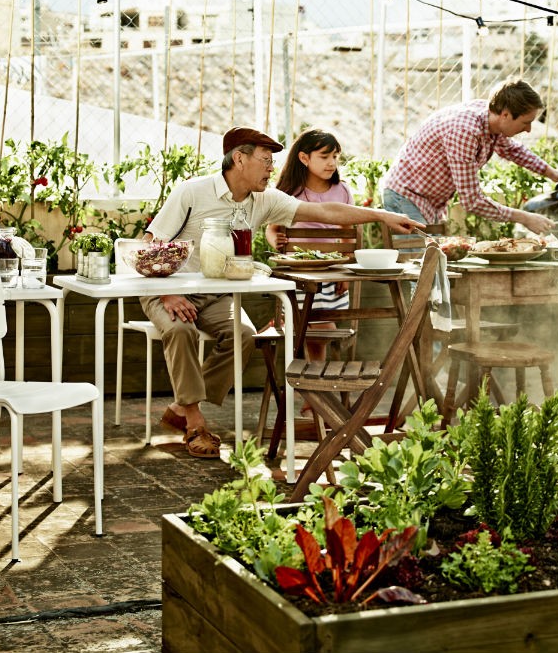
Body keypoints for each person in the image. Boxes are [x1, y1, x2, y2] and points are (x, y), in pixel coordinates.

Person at [140, 126, 423, 459]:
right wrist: (166, 292)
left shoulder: (264, 200)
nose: (272, 168)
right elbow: (150, 244)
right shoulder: (192, 192)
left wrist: (382, 215)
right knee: (179, 329)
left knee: (243, 334)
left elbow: (326, 212)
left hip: (216, 295)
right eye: (265, 160)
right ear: (240, 159)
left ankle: (182, 406)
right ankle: (195, 420)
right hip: (167, 287)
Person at [382, 78, 558, 236]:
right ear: (506, 115)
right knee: (425, 271)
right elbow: (472, 201)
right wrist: (525, 218)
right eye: (526, 122)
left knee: (435, 269)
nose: (528, 130)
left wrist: (554, 174)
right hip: (406, 196)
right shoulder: (465, 131)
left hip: (428, 199)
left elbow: (514, 151)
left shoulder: (490, 117)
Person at [265, 128, 354, 361]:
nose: (331, 163)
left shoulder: (342, 190)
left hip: (331, 274)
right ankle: (313, 389)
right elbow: (272, 229)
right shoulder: (289, 192)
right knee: (316, 328)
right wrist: (276, 239)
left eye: (335, 156)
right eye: (324, 157)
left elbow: (347, 235)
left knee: (319, 328)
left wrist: (346, 273)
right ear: (304, 158)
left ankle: (312, 389)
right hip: (299, 275)